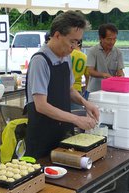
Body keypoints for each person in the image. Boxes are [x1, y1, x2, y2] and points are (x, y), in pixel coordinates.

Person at [25, 11, 99, 159]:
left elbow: (69, 89)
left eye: (78, 42)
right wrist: (77, 119)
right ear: (57, 35)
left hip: (63, 131)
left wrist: (85, 103)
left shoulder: (66, 58)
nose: (75, 46)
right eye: (72, 41)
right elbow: (41, 105)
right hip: (42, 134)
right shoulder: (40, 61)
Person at [86, 23, 125, 94]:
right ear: (100, 38)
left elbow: (120, 71)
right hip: (94, 91)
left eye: (114, 39)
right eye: (109, 39)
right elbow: (90, 71)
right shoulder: (93, 51)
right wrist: (104, 75)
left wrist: (120, 76)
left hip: (111, 90)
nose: (112, 42)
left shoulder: (118, 52)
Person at [71, 39, 90, 110]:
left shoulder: (66, 54)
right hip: (77, 89)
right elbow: (88, 77)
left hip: (64, 88)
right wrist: (86, 91)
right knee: (76, 112)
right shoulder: (85, 57)